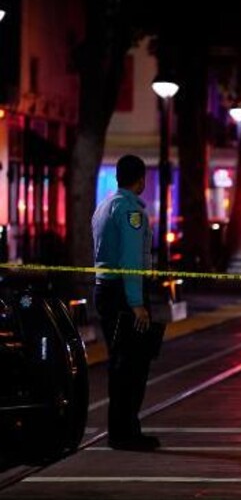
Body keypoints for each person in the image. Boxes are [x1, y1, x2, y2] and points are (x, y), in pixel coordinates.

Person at [92, 155, 161, 451]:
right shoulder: (131, 211)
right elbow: (131, 260)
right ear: (141, 179)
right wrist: (136, 302)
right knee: (133, 364)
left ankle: (121, 430)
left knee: (119, 363)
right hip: (124, 292)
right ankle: (126, 432)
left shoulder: (104, 206)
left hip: (105, 289)